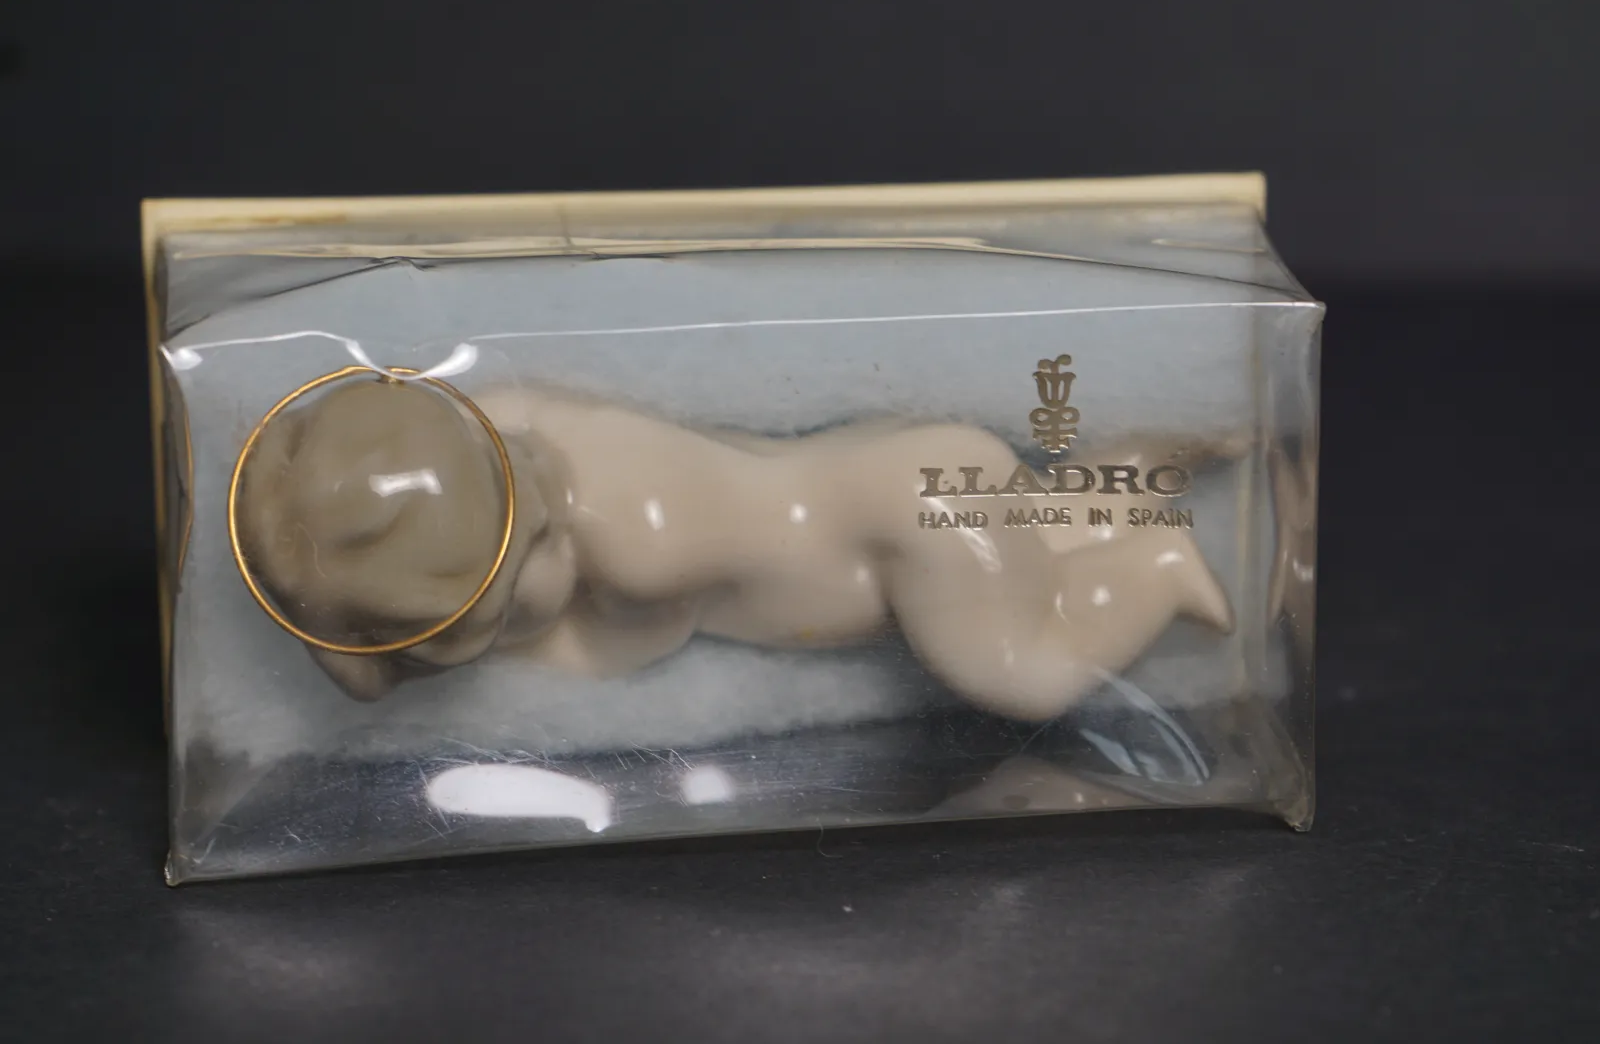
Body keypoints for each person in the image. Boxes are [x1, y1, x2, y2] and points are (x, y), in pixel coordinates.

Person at [237, 376, 1234, 722]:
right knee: (1034, 533)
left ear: (531, 541)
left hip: (911, 544)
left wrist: (529, 651)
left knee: (1026, 674)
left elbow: (617, 651)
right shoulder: (530, 421)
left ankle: (1153, 572)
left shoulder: (639, 559)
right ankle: (1128, 480)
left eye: (500, 617)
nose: (509, 635)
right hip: (909, 477)